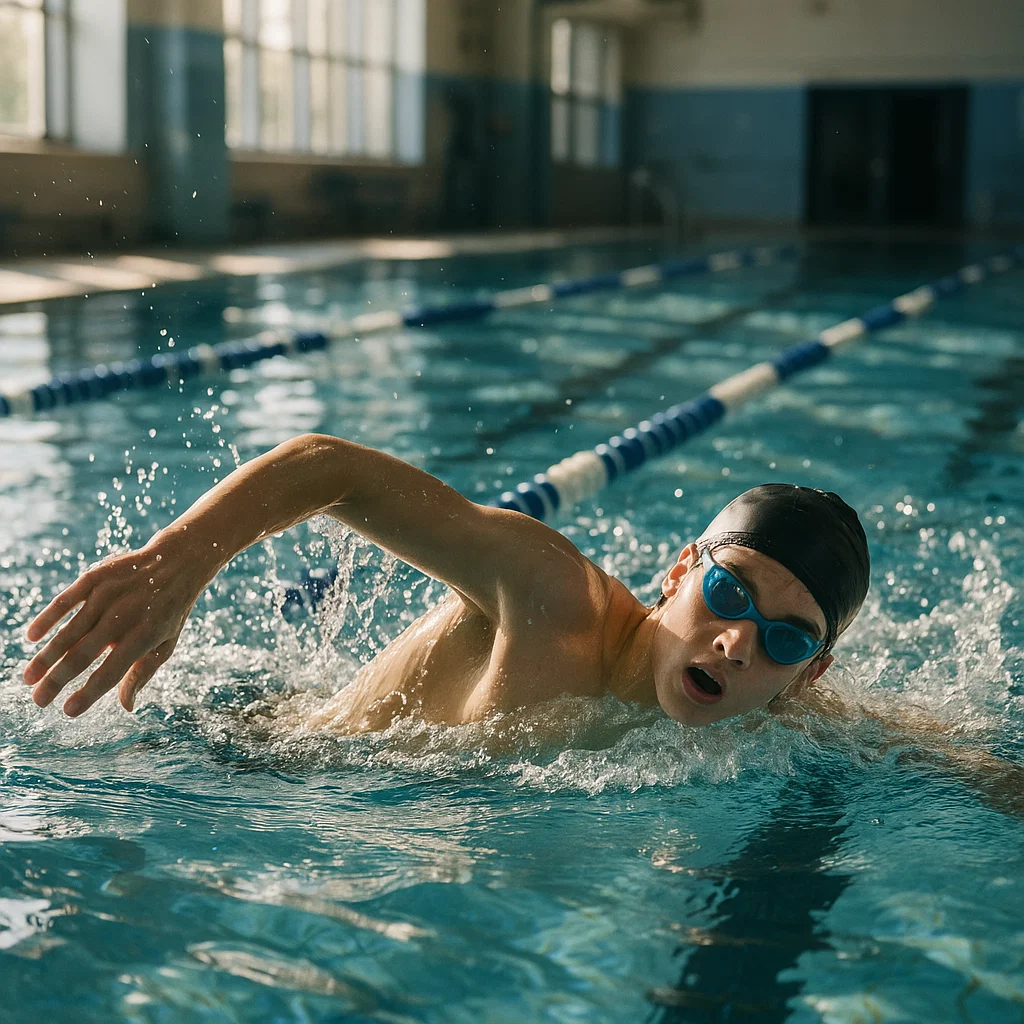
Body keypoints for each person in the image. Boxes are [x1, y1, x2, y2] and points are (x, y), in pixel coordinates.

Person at [21, 433, 868, 732]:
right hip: (257, 766)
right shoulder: (551, 596)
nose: (737, 643)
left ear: (808, 672)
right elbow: (333, 470)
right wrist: (178, 565)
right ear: (682, 570)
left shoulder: (769, 705)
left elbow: (896, 735)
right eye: (728, 594)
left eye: (785, 639)